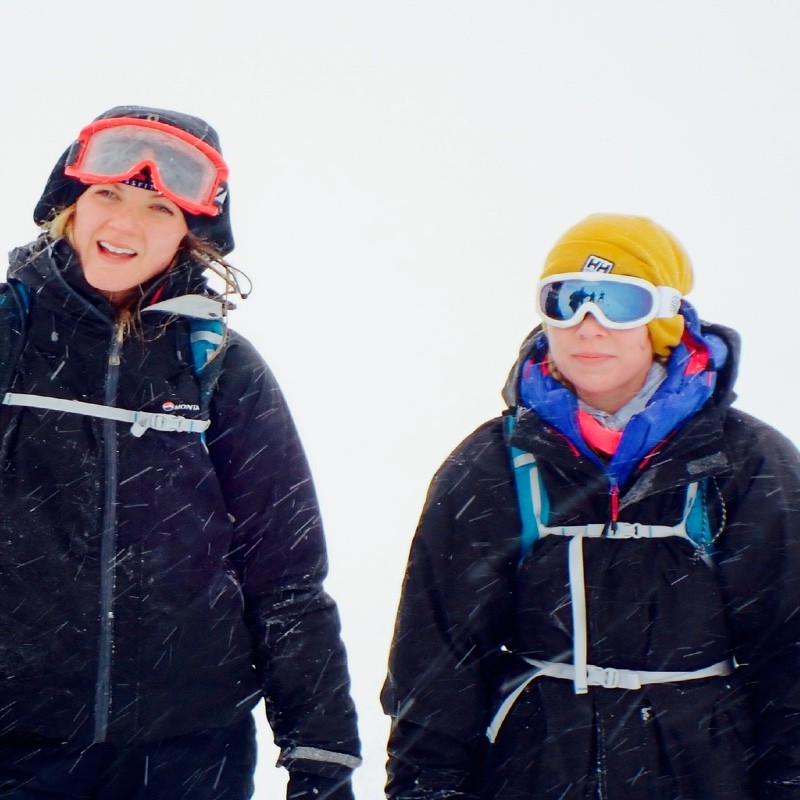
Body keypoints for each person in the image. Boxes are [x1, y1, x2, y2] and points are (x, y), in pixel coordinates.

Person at [0, 106, 360, 799]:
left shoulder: (220, 368)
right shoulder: (11, 344)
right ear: (69, 207)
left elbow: (285, 579)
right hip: (17, 748)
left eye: (158, 208)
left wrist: (322, 757)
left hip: (188, 756)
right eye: (107, 194)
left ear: (192, 233)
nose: (124, 225)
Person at [381, 213, 800, 799]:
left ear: (664, 318)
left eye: (617, 303)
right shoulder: (492, 464)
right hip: (532, 776)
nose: (588, 325)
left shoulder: (746, 462)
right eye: (566, 300)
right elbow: (438, 664)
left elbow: (789, 658)